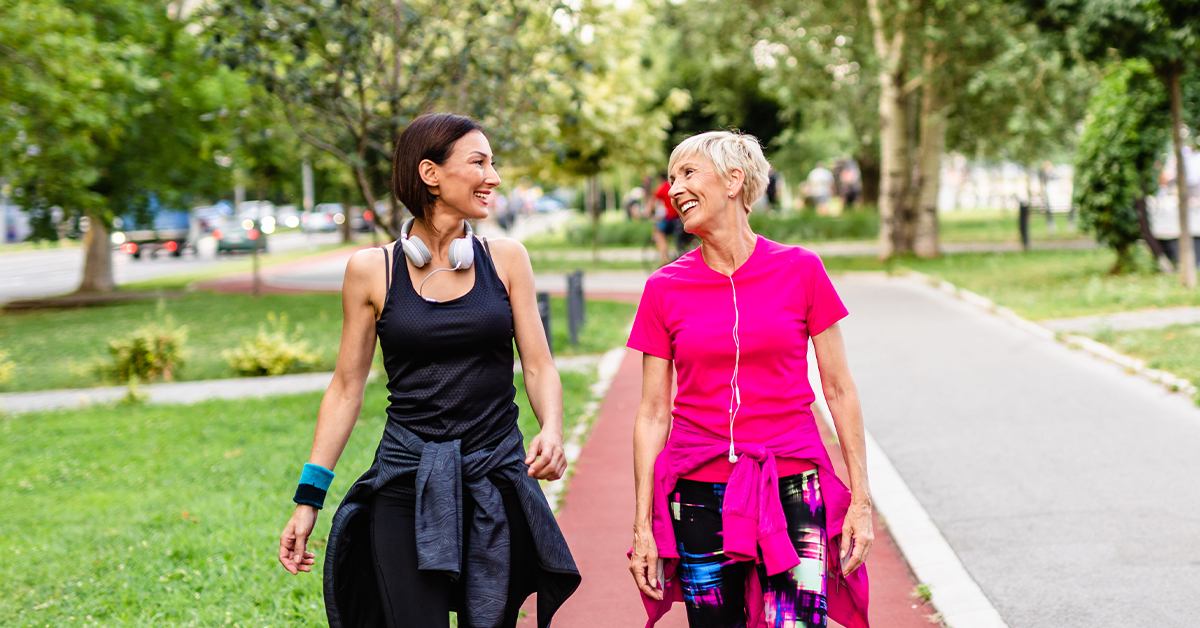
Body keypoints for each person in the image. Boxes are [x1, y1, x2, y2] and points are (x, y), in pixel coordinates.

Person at [277, 113, 580, 628]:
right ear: (430, 173)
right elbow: (346, 388)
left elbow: (538, 365)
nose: (494, 177)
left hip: (495, 477)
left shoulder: (507, 259)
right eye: (479, 163)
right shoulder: (372, 270)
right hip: (406, 479)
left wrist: (551, 428)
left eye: (492, 163)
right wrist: (309, 499)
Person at [627, 131, 872, 628]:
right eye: (672, 177)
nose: (675, 189)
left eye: (688, 173)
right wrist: (642, 526)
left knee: (796, 623)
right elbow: (652, 413)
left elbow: (839, 389)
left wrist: (861, 501)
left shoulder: (801, 269)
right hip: (697, 488)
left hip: (792, 483)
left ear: (733, 181)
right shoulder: (663, 288)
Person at [651, 173, 683, 265]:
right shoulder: (676, 185)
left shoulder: (663, 187)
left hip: (671, 218)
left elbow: (653, 202)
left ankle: (664, 258)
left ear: (660, 179)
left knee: (658, 232)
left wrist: (648, 212)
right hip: (680, 217)